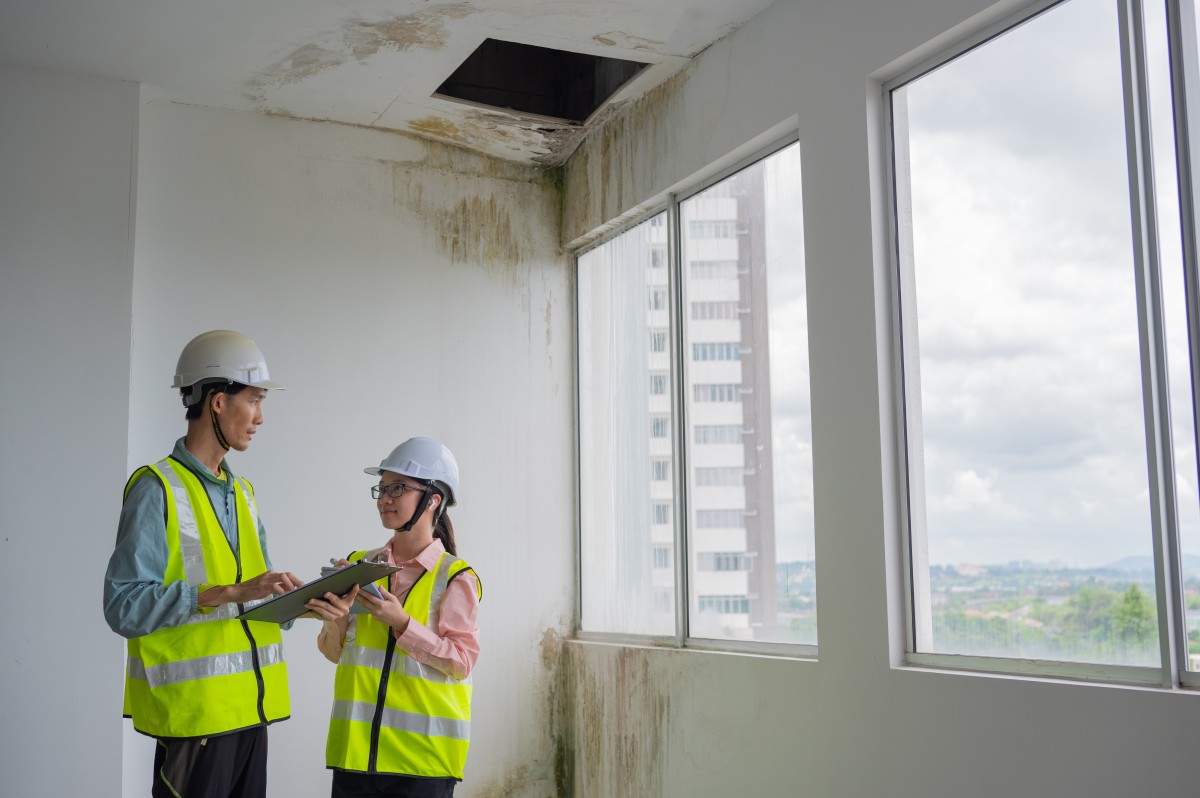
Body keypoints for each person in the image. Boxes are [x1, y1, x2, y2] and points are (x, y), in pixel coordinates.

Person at [103, 329, 302, 798]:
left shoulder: (243, 493)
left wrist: (309, 601)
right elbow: (122, 606)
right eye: (254, 400)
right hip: (197, 722)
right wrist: (228, 592)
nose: (260, 418)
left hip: (252, 716)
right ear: (217, 400)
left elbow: (257, 597)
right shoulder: (156, 489)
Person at [307, 436, 482, 798]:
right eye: (382, 489)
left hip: (421, 764)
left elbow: (462, 661)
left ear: (433, 500)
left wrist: (402, 624)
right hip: (355, 756)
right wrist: (334, 618)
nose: (385, 499)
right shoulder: (358, 565)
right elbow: (336, 653)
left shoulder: (455, 577)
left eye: (398, 489)